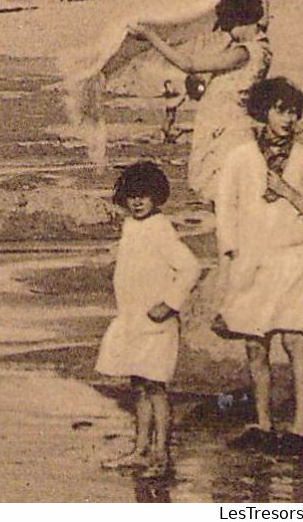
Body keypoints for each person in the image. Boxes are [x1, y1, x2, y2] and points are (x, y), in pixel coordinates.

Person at [214, 77, 303, 455]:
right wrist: (231, 254)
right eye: (281, 110)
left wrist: (288, 192)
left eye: (294, 111)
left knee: (295, 342)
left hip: (291, 259)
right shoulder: (240, 157)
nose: (288, 118)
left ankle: (300, 428)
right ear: (264, 110)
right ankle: (263, 424)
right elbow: (225, 209)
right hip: (251, 260)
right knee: (254, 345)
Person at [95, 162, 200, 478]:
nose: (137, 201)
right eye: (132, 196)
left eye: (144, 195)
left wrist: (169, 304)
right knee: (138, 386)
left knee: (156, 389)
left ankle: (161, 455)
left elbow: (191, 267)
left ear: (157, 196)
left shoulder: (160, 228)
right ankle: (141, 450)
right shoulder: (131, 226)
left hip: (157, 325)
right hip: (133, 321)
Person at [131, 0, 271, 201]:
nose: (228, 33)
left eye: (230, 27)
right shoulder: (260, 47)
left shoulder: (243, 52)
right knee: (230, 195)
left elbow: (188, 65)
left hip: (226, 131)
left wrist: (151, 37)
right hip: (226, 126)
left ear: (241, 21)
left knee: (225, 194)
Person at [160, 79, 187, 144]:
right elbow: (170, 94)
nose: (171, 87)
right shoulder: (167, 93)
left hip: (171, 108)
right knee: (169, 120)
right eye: (169, 85)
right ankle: (166, 136)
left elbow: (176, 96)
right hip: (170, 108)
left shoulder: (171, 93)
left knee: (171, 120)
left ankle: (167, 136)